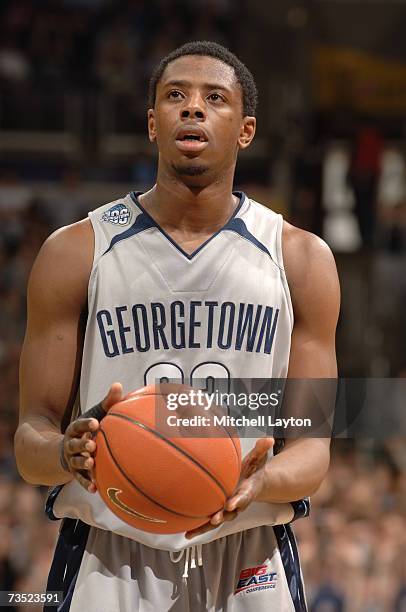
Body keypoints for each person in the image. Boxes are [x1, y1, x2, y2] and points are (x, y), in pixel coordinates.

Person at [15, 41, 340, 611]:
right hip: (109, 551)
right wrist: (66, 452)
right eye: (175, 96)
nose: (193, 108)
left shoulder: (300, 258)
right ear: (151, 123)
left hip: (247, 554)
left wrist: (260, 482)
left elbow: (313, 446)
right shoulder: (75, 252)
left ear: (246, 130)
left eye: (214, 99)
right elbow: (29, 438)